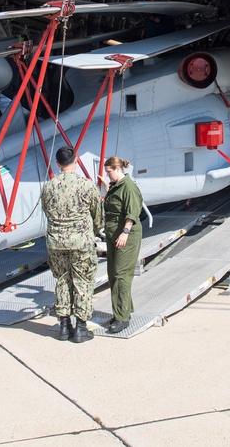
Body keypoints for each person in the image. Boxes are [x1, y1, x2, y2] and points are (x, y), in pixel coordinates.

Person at [40, 146, 103, 343]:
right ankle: (81, 328)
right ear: (76, 160)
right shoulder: (86, 185)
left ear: (58, 164)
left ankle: (64, 326)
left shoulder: (49, 186)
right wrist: (93, 229)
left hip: (56, 241)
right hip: (81, 241)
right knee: (82, 281)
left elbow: (46, 211)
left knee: (62, 280)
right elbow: (97, 214)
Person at [101, 156, 144, 334]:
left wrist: (125, 232)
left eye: (109, 172)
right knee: (113, 273)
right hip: (113, 235)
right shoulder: (116, 186)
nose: (108, 175)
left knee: (121, 276)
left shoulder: (129, 187)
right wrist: (107, 186)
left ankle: (122, 318)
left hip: (125, 236)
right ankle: (122, 310)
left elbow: (132, 212)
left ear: (117, 169)